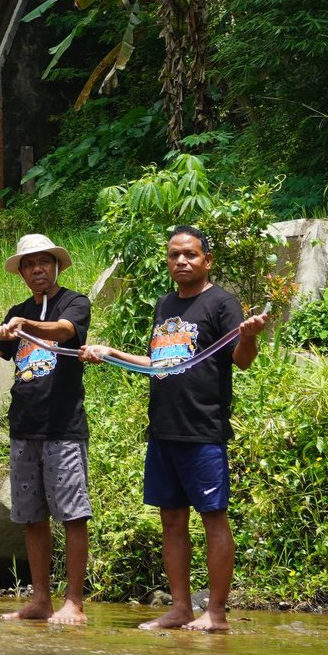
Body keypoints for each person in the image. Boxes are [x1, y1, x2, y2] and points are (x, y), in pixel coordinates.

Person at [82, 225, 269, 633]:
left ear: (207, 260)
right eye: (174, 255)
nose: (181, 261)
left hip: (203, 431)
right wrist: (111, 352)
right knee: (171, 521)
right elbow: (162, 362)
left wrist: (250, 337)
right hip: (163, 431)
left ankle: (216, 614)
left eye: (189, 254)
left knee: (213, 518)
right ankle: (181, 608)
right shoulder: (166, 304)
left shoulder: (221, 302)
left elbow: (241, 360)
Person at [0, 234, 95, 624]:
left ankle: (74, 602)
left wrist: (25, 325)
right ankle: (41, 600)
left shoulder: (74, 303)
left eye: (43, 263)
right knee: (31, 515)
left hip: (62, 427)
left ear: (56, 266)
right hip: (24, 428)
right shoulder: (17, 311)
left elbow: (65, 331)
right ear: (23, 273)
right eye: (29, 266)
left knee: (73, 513)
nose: (36, 270)